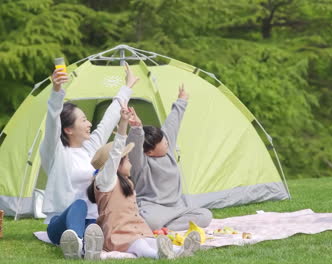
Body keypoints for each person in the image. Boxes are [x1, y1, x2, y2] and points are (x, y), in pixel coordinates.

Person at [40, 62, 138, 259]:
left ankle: (83, 248)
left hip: (91, 221)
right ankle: (76, 240)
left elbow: (109, 118)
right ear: (68, 129)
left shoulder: (90, 149)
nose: (89, 123)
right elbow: (52, 121)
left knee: (102, 232)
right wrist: (57, 90)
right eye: (83, 120)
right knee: (79, 205)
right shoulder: (56, 153)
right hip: (61, 224)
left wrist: (127, 87)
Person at [87, 105, 200, 259]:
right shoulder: (106, 182)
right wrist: (123, 124)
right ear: (115, 165)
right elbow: (115, 154)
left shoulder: (127, 182)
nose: (131, 163)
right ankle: (158, 256)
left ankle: (179, 250)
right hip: (119, 235)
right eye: (126, 159)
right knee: (141, 246)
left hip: (138, 231)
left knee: (151, 242)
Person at [126, 84, 213, 231]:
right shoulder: (141, 163)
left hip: (177, 208)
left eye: (164, 138)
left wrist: (182, 100)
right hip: (153, 209)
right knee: (149, 221)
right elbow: (134, 147)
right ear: (149, 152)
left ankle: (167, 228)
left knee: (205, 215)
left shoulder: (168, 147)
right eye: (160, 141)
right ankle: (160, 226)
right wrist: (136, 128)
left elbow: (173, 122)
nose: (165, 141)